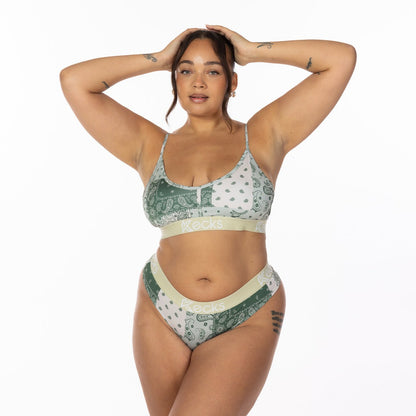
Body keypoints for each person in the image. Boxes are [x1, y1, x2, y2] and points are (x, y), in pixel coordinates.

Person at [60, 24, 356, 415]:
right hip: (161, 308)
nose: (197, 81)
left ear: (233, 82)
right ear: (174, 80)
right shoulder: (149, 144)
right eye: (186, 70)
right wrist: (160, 58)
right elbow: (75, 81)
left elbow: (340, 60)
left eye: (213, 70)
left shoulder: (265, 133)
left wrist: (251, 51)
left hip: (247, 311)